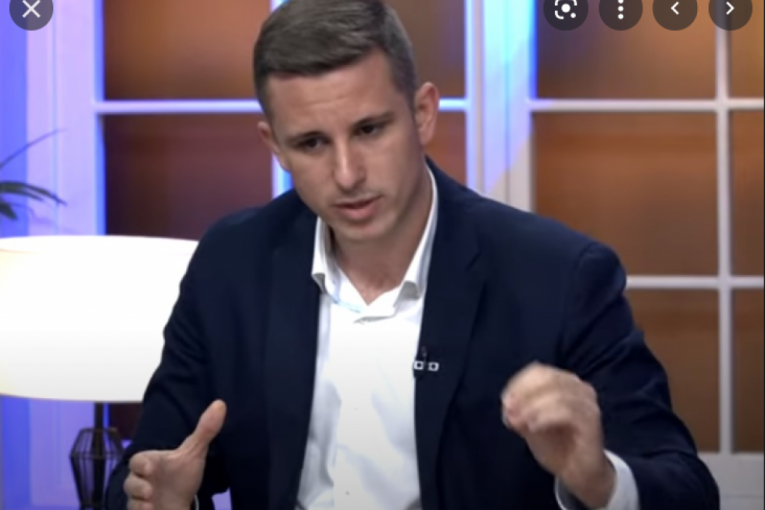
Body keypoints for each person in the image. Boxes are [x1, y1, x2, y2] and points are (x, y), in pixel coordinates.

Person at [105, 0, 720, 509]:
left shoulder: (558, 277)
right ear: (276, 147)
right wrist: (159, 500)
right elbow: (148, 472)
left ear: (423, 113)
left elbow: (687, 490)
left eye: (370, 130)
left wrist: (599, 480)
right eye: (312, 143)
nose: (347, 174)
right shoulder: (232, 264)